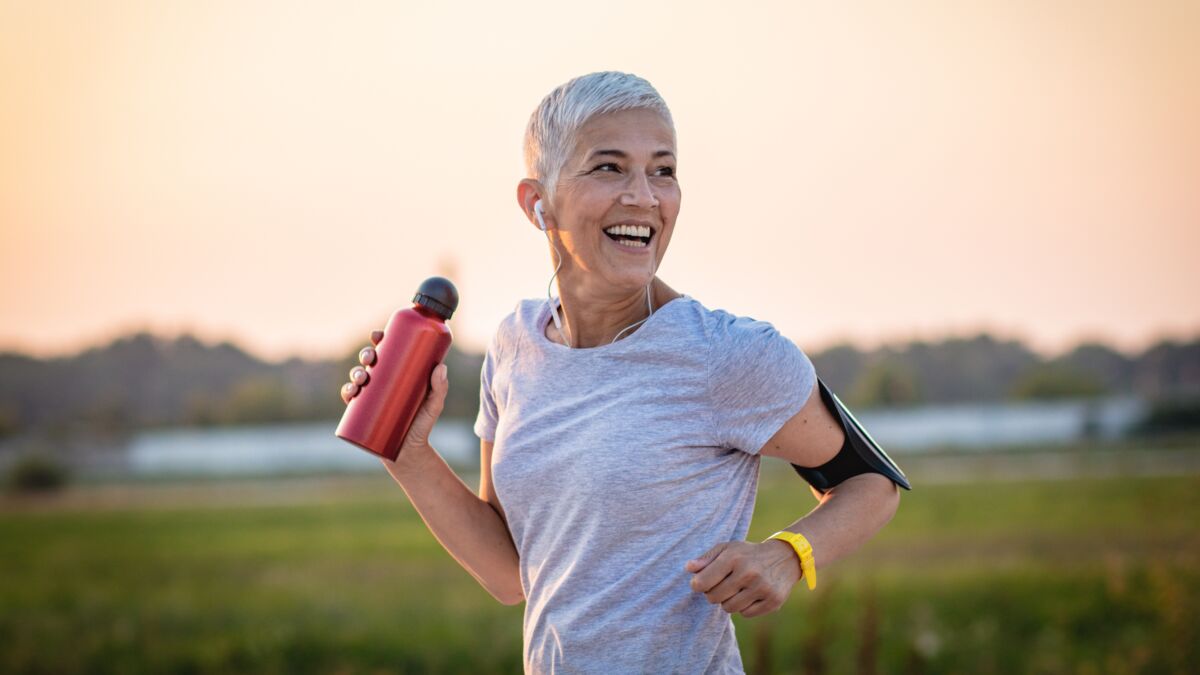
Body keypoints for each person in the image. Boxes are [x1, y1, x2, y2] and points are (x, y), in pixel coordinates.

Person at [341, 71, 902, 674]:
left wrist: (787, 554)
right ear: (538, 202)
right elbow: (511, 573)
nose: (644, 196)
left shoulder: (727, 354)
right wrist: (408, 452)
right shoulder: (515, 346)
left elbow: (873, 485)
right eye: (609, 168)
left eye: (663, 170)